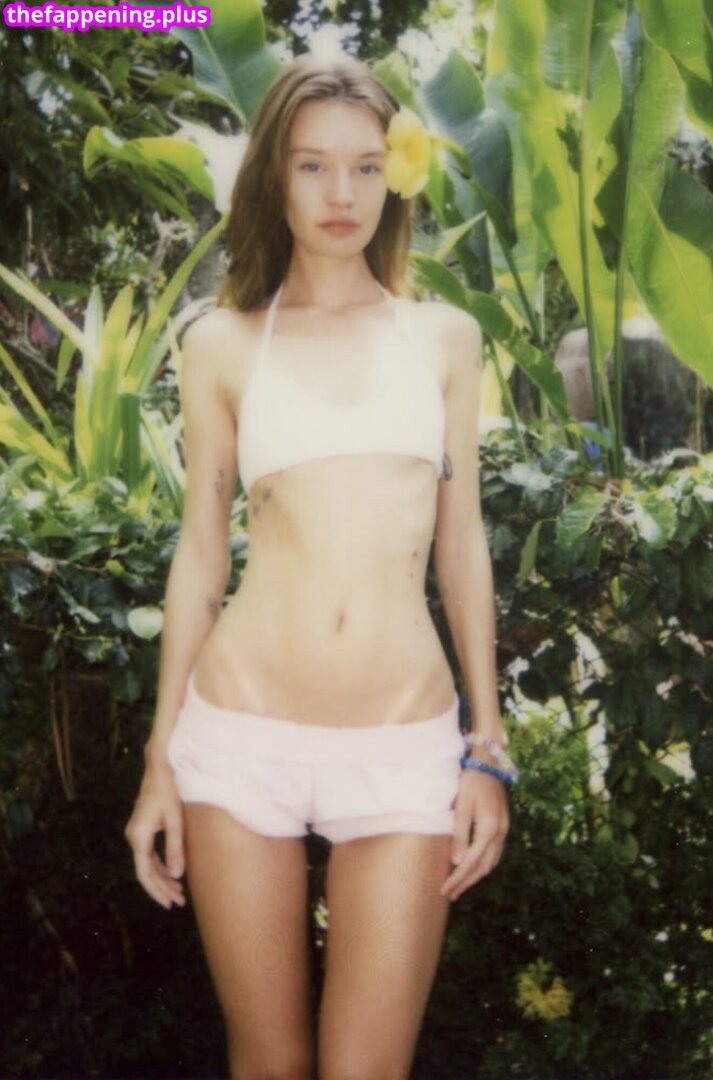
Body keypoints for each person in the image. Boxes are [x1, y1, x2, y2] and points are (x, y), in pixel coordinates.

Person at [125, 52, 512, 1080]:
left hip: (401, 746)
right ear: (275, 177)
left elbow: (461, 543)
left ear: (396, 178)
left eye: (365, 167)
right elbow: (200, 551)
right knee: (265, 1059)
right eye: (312, 166)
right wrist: (162, 758)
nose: (342, 194)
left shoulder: (444, 339)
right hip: (239, 740)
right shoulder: (221, 343)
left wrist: (486, 748)